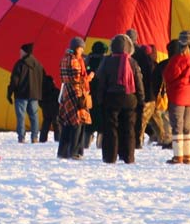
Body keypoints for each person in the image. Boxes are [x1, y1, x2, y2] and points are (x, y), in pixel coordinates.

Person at [92, 33, 145, 164]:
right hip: (130, 99)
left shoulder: (106, 61)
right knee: (128, 128)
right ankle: (128, 156)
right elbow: (138, 82)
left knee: (111, 128)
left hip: (111, 99)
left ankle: (110, 156)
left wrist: (99, 99)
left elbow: (101, 81)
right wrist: (141, 98)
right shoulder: (132, 62)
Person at [163, 38, 190, 164]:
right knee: (187, 124)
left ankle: (178, 155)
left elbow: (169, 75)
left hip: (178, 95)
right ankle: (188, 155)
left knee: (177, 125)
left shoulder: (178, 60)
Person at [56, 37, 93, 160]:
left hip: (67, 93)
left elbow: (64, 77)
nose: (82, 51)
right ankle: (75, 151)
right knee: (78, 122)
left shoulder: (64, 59)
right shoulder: (75, 61)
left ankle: (63, 151)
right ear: (77, 48)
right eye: (81, 48)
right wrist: (89, 77)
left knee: (67, 123)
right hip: (76, 93)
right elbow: (77, 80)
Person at [6, 42, 43, 144]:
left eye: (21, 51)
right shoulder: (38, 65)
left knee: (21, 117)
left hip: (21, 94)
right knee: (34, 116)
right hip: (34, 95)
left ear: (25, 52)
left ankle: (21, 137)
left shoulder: (20, 64)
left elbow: (14, 80)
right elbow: (41, 80)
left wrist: (9, 93)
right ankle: (35, 137)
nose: (19, 53)